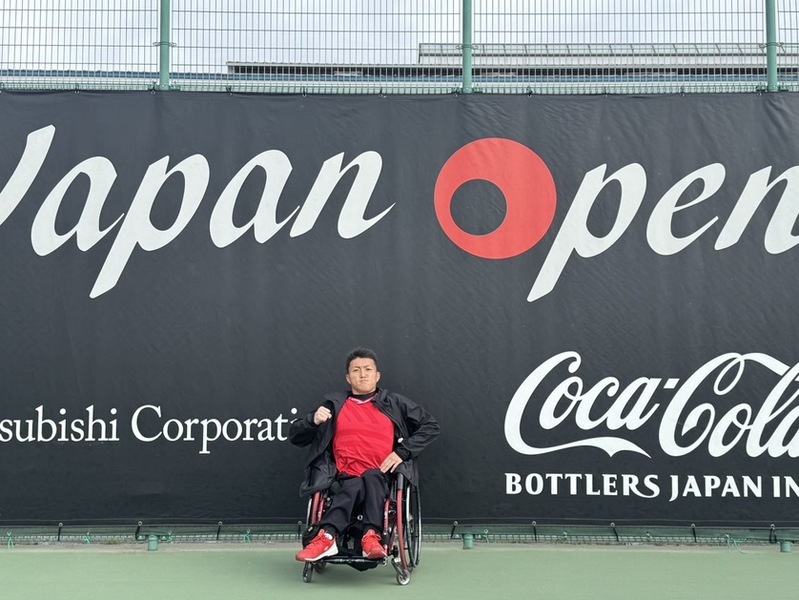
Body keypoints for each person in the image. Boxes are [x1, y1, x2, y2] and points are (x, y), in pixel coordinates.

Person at [289, 346, 439, 563]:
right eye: (356, 370)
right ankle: (327, 538)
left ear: (377, 376)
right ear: (348, 378)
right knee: (355, 483)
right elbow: (296, 436)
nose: (362, 374)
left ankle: (369, 536)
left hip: (382, 475)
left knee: (370, 476)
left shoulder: (395, 403)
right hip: (342, 477)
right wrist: (311, 420)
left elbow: (431, 426)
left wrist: (402, 452)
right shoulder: (334, 405)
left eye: (368, 369)